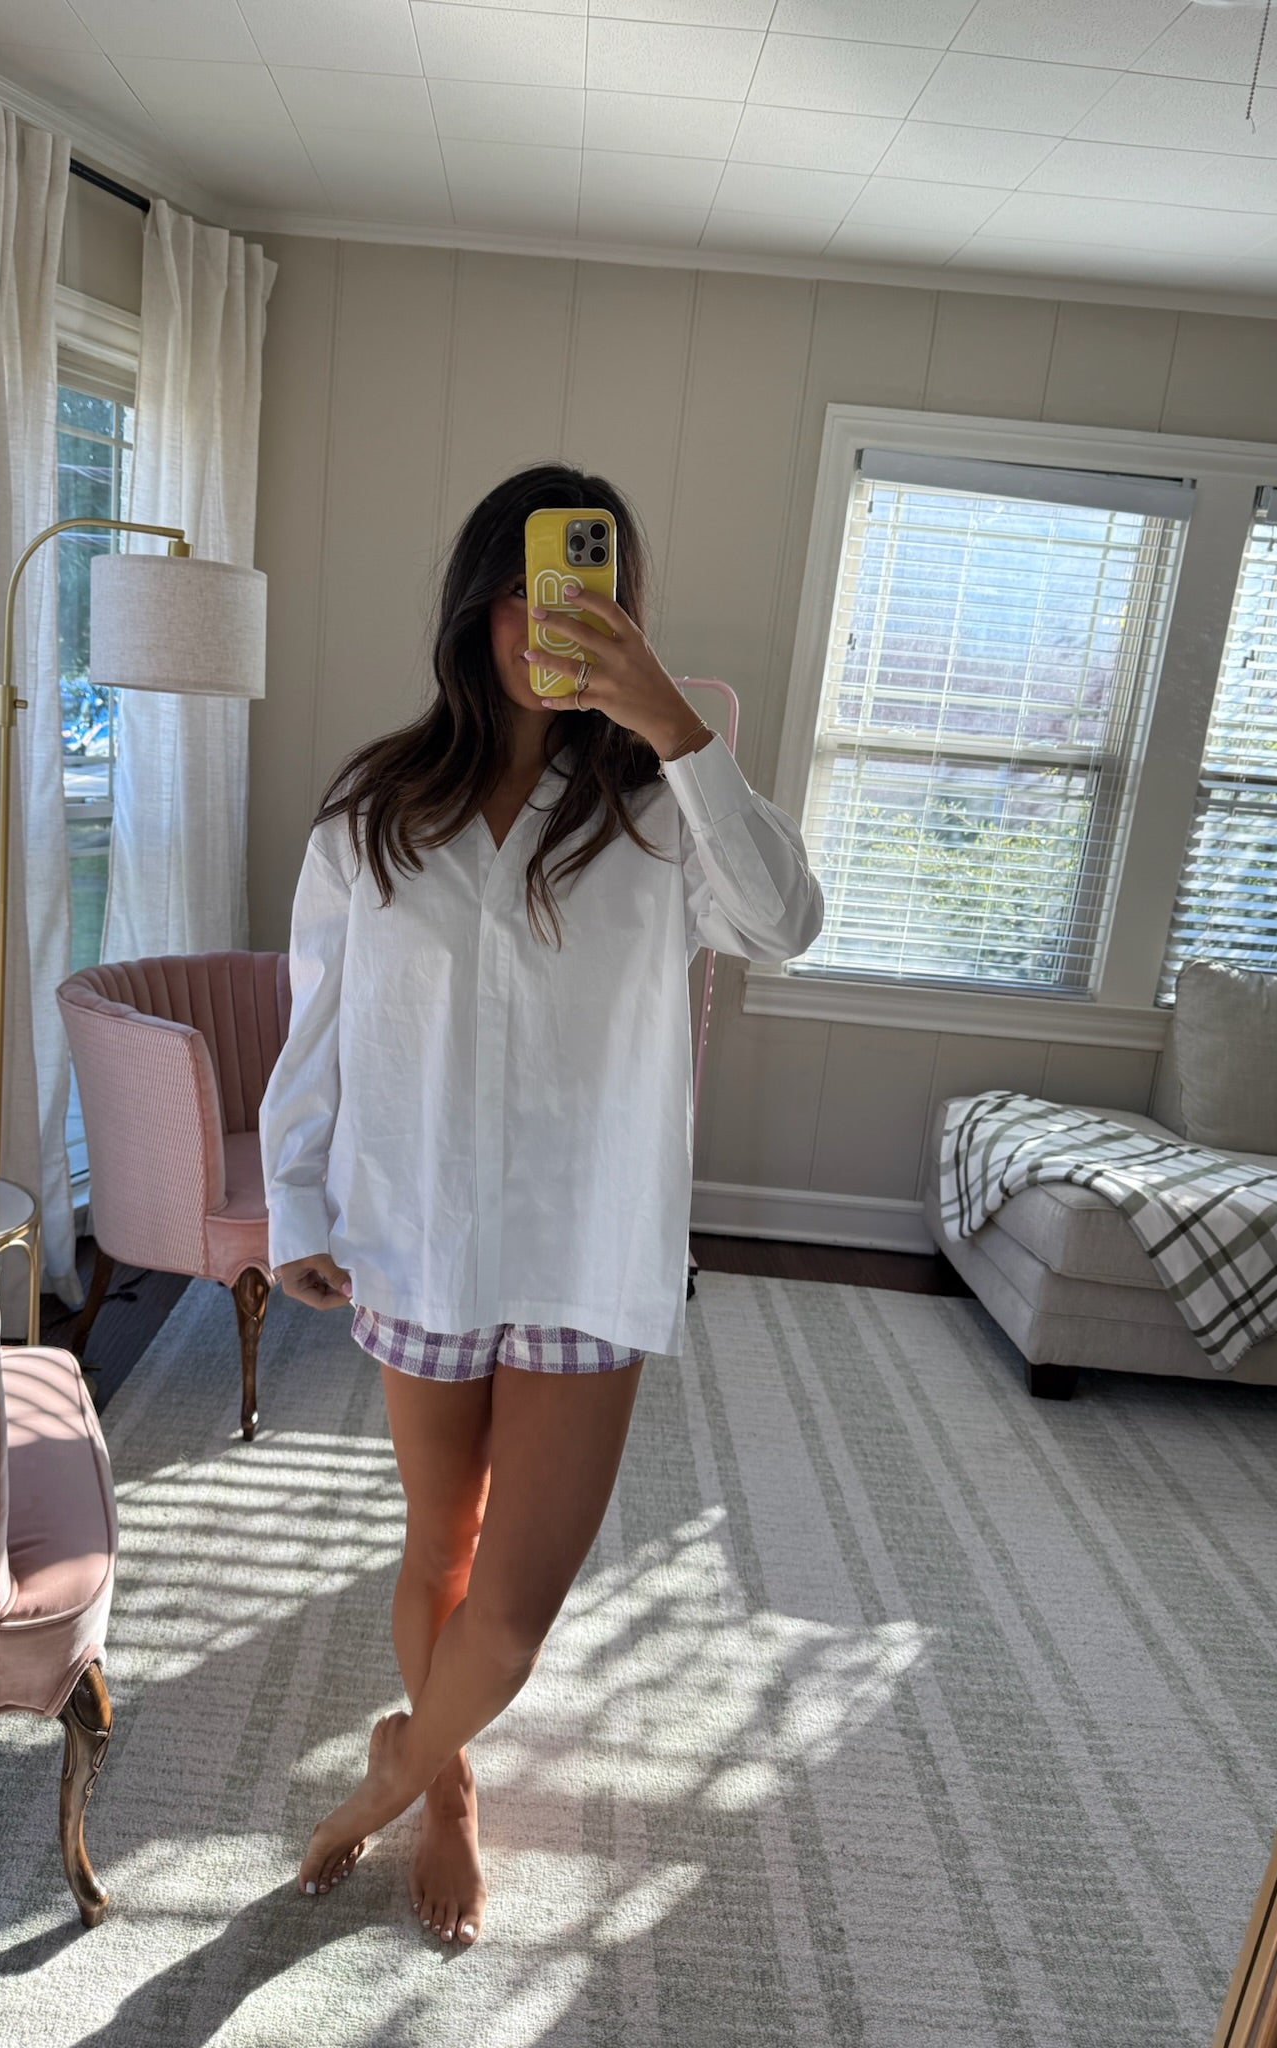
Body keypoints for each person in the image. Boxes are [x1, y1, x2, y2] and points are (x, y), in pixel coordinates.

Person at [258, 463, 824, 1950]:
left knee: (511, 1615)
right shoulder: (378, 810)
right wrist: (293, 1204)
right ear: (474, 604)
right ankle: (449, 1793)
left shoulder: (663, 812)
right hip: (418, 1237)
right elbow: (318, 1019)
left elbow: (786, 924)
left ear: (624, 607)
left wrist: (678, 728)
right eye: (521, 586)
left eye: (583, 585)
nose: (545, 617)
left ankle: (392, 1774)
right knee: (438, 1549)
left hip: (586, 1248)